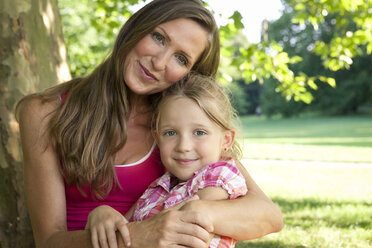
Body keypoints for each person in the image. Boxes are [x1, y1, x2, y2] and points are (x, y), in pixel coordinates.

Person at [16, 0, 283, 247]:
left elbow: (268, 216)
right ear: (135, 27)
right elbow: (49, 241)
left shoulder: (182, 130)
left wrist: (189, 214)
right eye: (158, 37)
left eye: (181, 59)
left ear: (190, 75)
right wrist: (140, 234)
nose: (159, 62)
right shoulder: (45, 112)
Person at [86, 73, 248, 248]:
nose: (183, 146)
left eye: (199, 132)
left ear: (226, 140)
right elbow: (128, 230)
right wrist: (103, 215)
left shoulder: (218, 178)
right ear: (157, 138)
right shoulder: (159, 187)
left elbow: (185, 224)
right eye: (170, 133)